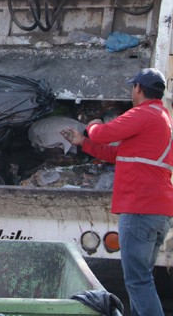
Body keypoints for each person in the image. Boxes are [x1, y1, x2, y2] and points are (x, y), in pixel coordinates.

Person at [61, 68, 173, 316]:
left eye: (132, 87)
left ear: (138, 89)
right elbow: (118, 154)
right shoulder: (161, 118)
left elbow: (104, 133)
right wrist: (84, 144)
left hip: (140, 209)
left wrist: (93, 123)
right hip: (157, 210)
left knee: (138, 281)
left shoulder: (142, 114)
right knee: (143, 279)